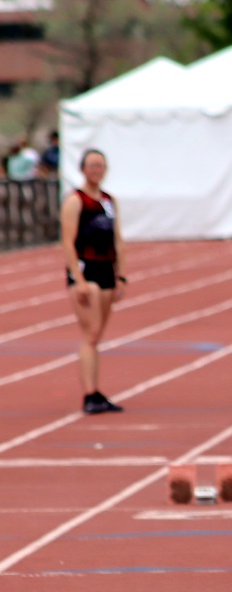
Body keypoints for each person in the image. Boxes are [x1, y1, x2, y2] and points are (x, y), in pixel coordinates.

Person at [60, 149, 128, 414]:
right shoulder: (75, 201)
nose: (96, 170)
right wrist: (78, 279)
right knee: (90, 333)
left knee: (97, 334)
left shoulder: (109, 201)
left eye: (100, 165)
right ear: (83, 169)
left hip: (106, 269)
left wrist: (121, 275)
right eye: (91, 166)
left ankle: (96, 391)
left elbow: (118, 240)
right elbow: (67, 241)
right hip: (86, 271)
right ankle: (89, 394)